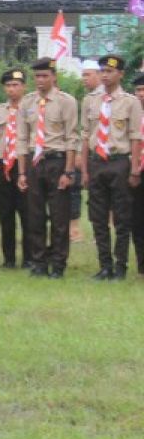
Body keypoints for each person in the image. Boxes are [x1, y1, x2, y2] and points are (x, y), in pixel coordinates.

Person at [80, 55, 143, 280]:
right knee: (97, 218)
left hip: (119, 162)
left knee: (122, 218)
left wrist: (135, 168)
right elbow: (86, 135)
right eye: (102, 70)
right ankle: (104, 265)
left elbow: (135, 137)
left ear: (120, 74)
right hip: (98, 162)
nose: (105, 75)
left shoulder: (130, 102)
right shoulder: (91, 101)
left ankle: (121, 266)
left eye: (110, 71)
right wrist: (85, 170)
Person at [17, 58, 78, 279]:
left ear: (54, 77)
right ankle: (39, 262)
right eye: (37, 76)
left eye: (45, 76)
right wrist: (22, 172)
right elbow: (22, 138)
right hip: (35, 162)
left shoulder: (66, 101)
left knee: (59, 217)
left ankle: (58, 263)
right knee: (35, 216)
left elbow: (71, 137)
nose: (40, 80)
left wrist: (68, 171)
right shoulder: (27, 102)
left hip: (57, 160)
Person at [0, 69, 30, 269]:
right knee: (5, 214)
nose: (12, 89)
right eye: (8, 85)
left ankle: (29, 258)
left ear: (24, 86)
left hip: (24, 164)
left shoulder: (31, 108)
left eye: (16, 85)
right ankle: (9, 258)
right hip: (3, 164)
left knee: (27, 213)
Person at [73, 59, 104, 242]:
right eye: (83, 75)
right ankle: (99, 232)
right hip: (93, 155)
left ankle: (107, 230)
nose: (84, 79)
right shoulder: (88, 99)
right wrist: (80, 153)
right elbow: (85, 131)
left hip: (111, 154)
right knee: (95, 197)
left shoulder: (112, 97)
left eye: (87, 75)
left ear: (99, 75)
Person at [132, 73, 144, 277]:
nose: (141, 94)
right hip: (136, 171)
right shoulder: (131, 114)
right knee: (137, 219)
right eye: (138, 90)